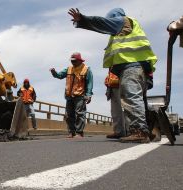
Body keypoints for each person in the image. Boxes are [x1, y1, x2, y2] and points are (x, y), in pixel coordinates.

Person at [68, 8, 158, 143]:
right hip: (135, 66)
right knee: (136, 98)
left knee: (132, 97)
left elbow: (102, 23)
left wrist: (84, 19)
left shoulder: (122, 21)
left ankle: (140, 131)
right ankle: (144, 130)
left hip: (131, 64)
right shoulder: (125, 30)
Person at [50, 52, 93, 138]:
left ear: (79, 60)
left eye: (74, 61)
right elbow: (59, 75)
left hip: (80, 95)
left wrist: (88, 95)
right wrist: (54, 72)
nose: (72, 62)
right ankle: (71, 132)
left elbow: (89, 83)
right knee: (69, 115)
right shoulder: (69, 69)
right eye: (71, 61)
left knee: (79, 113)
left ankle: (79, 132)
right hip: (69, 95)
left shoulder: (86, 69)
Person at [105, 71, 127, 139]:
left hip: (123, 82)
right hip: (112, 84)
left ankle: (130, 131)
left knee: (127, 107)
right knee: (115, 111)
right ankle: (118, 132)